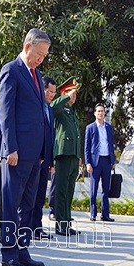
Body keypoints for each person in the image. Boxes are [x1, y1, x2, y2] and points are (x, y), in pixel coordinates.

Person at [0, 28, 49, 266]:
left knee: (28, 204)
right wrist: (11, 148)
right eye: (38, 53)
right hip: (16, 153)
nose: (41, 59)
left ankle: (23, 249)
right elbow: (6, 114)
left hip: (35, 153)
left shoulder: (37, 75)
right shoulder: (11, 71)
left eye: (44, 55)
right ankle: (9, 253)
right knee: (11, 203)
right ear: (28, 46)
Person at [51, 81, 81, 236]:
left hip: (73, 155)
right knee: (61, 191)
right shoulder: (60, 109)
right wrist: (64, 97)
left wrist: (79, 155)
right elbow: (52, 107)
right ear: (65, 93)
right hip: (63, 154)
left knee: (69, 191)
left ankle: (67, 223)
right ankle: (60, 224)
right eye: (72, 93)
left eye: (75, 94)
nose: (74, 97)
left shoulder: (73, 112)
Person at [31, 76, 56, 239]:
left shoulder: (50, 110)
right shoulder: (36, 107)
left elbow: (51, 136)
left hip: (45, 159)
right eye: (49, 91)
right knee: (31, 195)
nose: (51, 95)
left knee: (40, 194)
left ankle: (37, 227)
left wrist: (51, 160)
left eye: (54, 92)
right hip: (34, 158)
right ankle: (28, 226)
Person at [85, 103, 116, 222]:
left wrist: (113, 161)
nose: (101, 113)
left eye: (102, 111)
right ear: (95, 113)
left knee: (105, 190)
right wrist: (88, 163)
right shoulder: (90, 128)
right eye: (98, 111)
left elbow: (111, 145)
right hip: (95, 162)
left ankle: (105, 214)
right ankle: (93, 214)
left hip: (107, 160)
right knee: (93, 189)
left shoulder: (108, 127)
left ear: (104, 113)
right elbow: (87, 148)